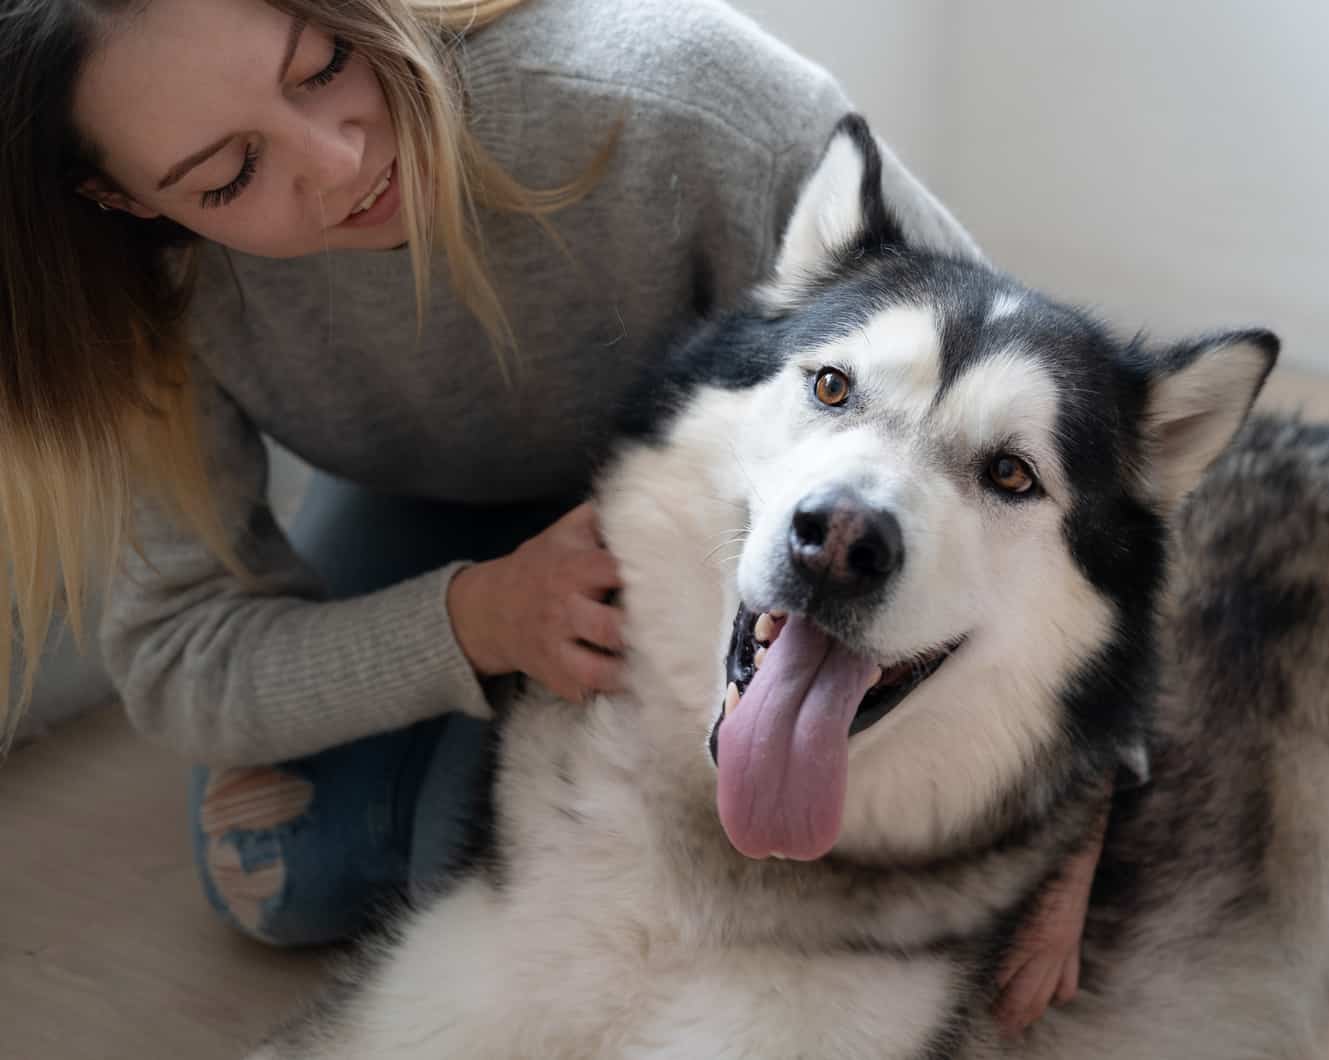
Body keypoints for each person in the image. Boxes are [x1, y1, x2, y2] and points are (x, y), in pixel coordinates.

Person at [0, 0, 1107, 1034]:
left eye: (324, 66)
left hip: (703, 509)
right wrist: (475, 622)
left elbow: (1041, 459)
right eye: (232, 175)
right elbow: (182, 654)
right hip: (432, 503)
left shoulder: (685, 99)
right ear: (126, 199)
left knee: (472, 869)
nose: (338, 163)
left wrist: (1089, 784)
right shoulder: (139, 301)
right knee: (286, 869)